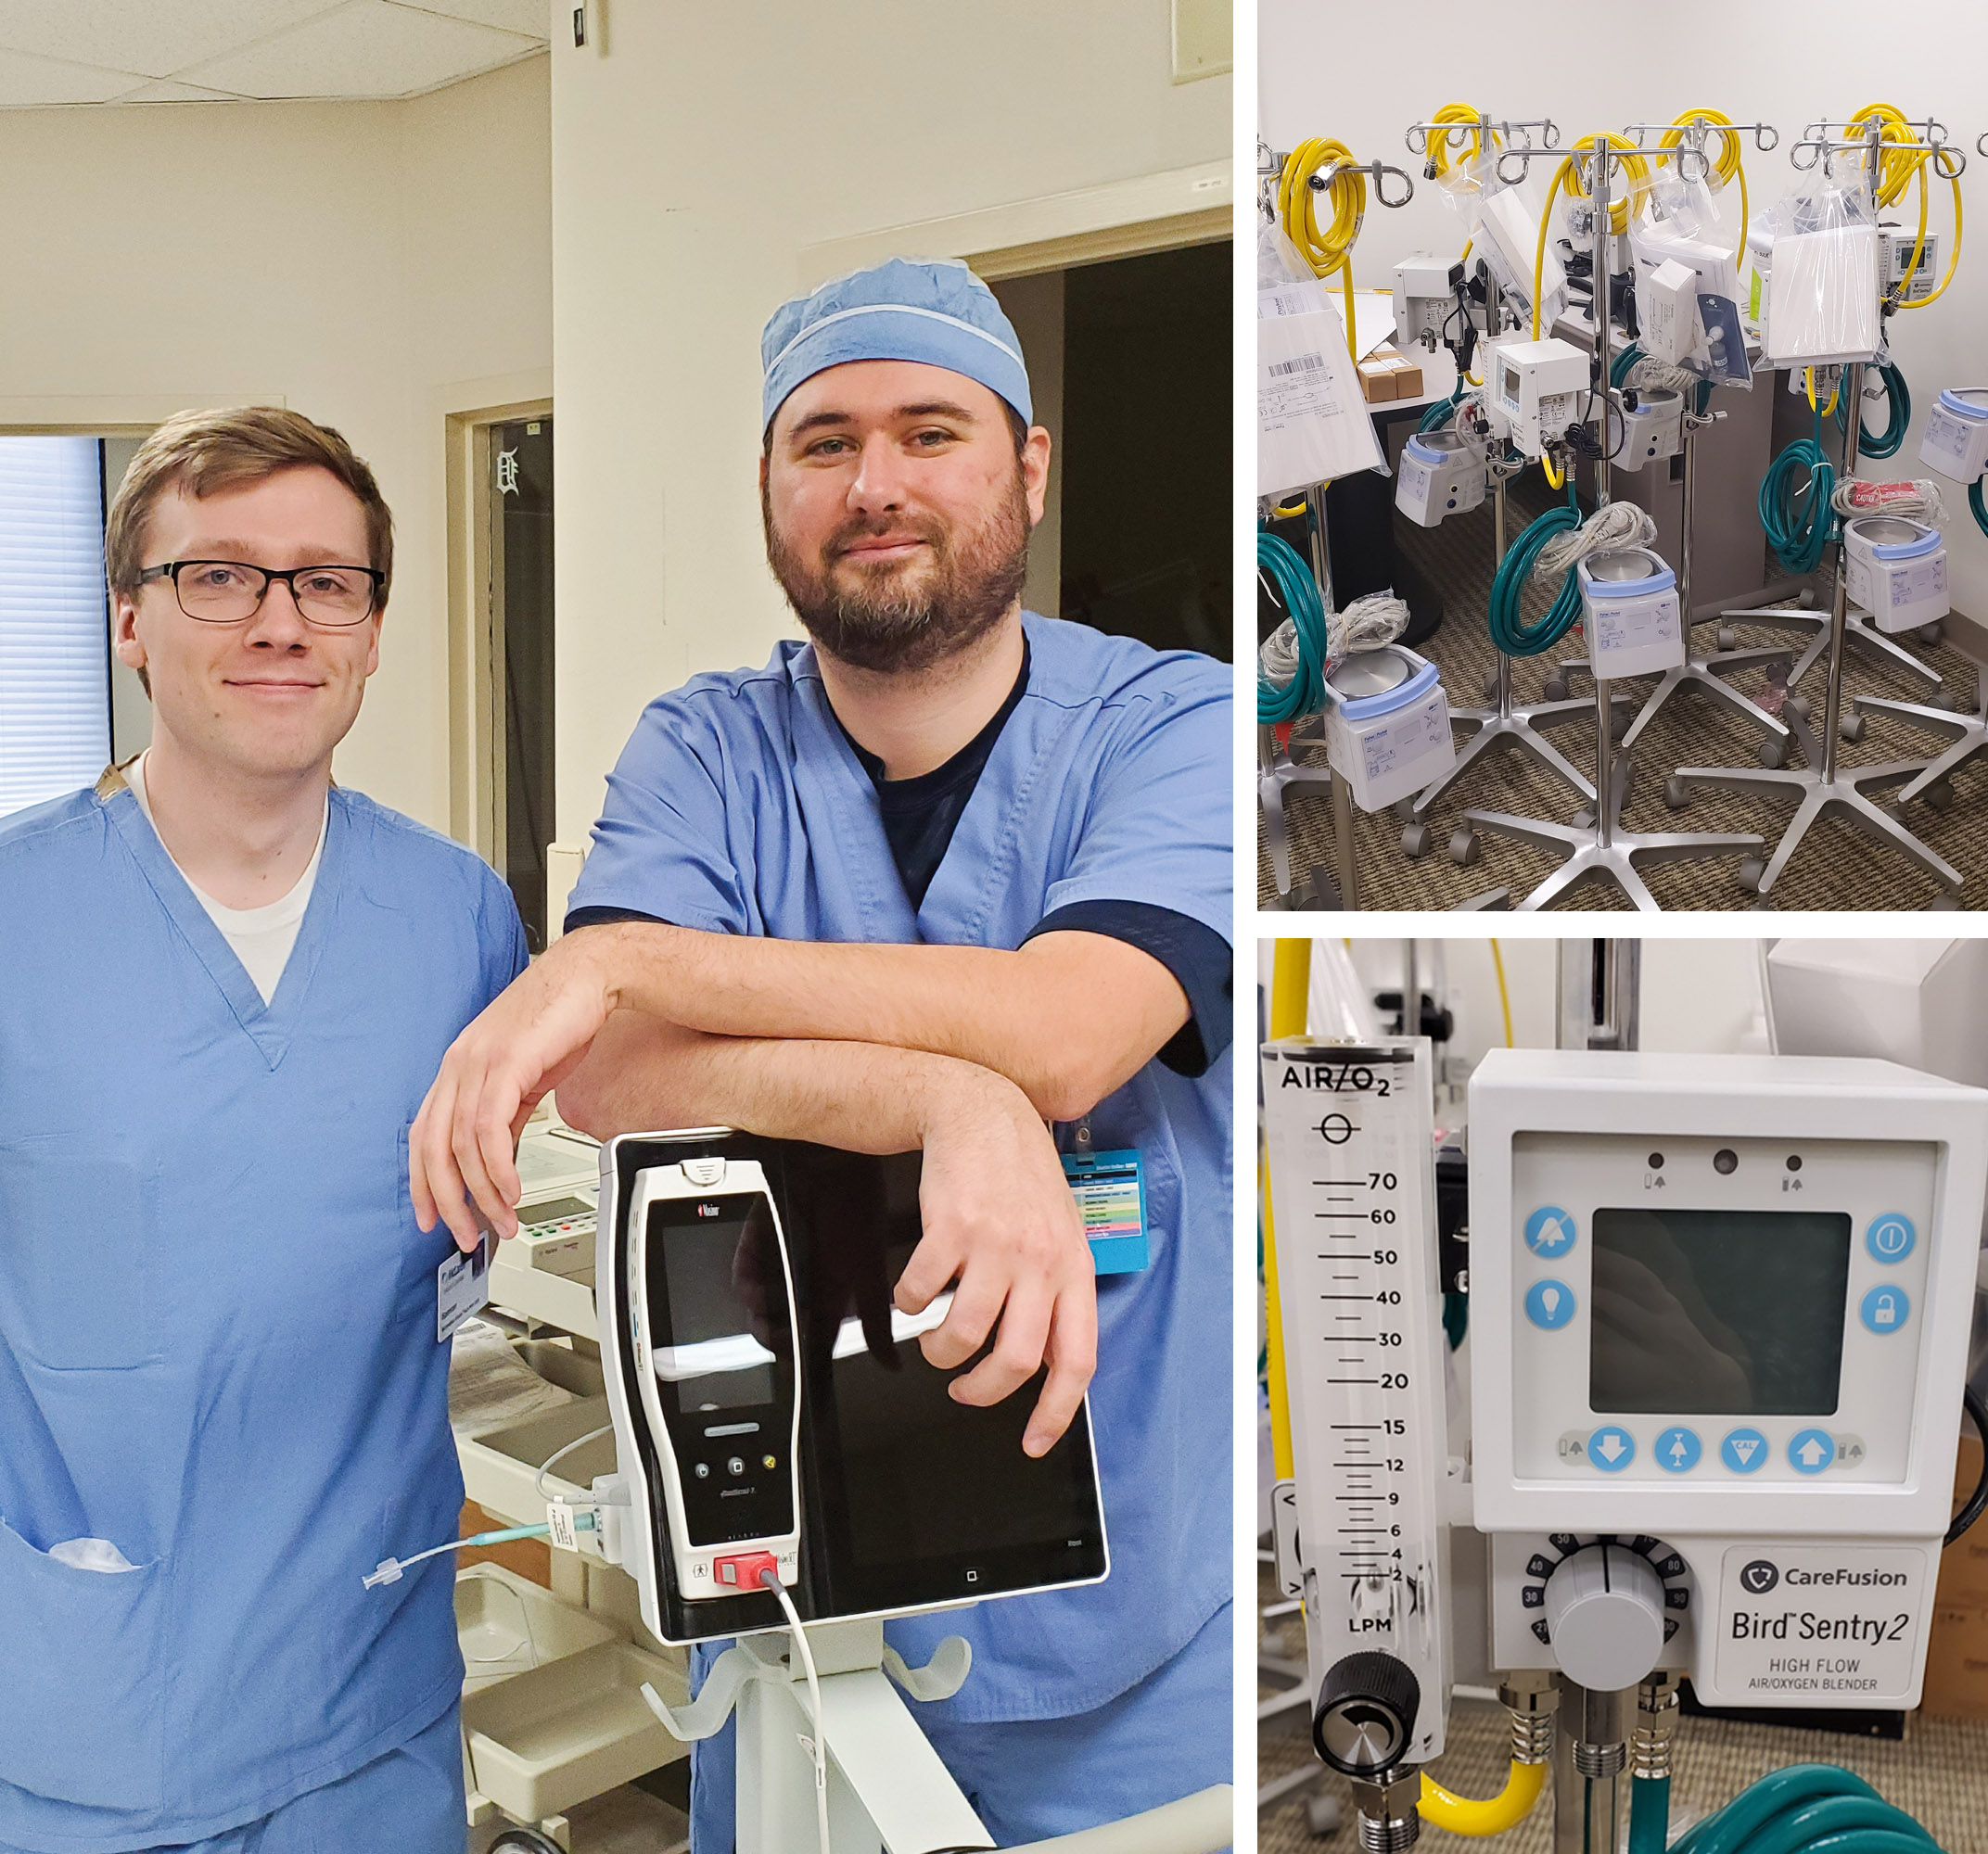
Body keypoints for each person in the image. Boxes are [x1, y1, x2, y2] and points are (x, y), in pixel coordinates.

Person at [411, 258, 1232, 1847]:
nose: (877, 485)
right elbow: (612, 1073)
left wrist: (629, 958)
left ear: (1029, 469)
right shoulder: (707, 750)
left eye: (933, 432)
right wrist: (948, 1095)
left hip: (1129, 1658)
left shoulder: (1167, 730)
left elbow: (1072, 1032)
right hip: (789, 1630)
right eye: (824, 441)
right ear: (771, 487)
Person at [0, 409, 525, 1854]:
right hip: (88, 1714)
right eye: (218, 576)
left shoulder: (458, 916)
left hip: (373, 1711)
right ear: (128, 622)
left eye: (327, 582)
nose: (280, 621)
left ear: (371, 632)